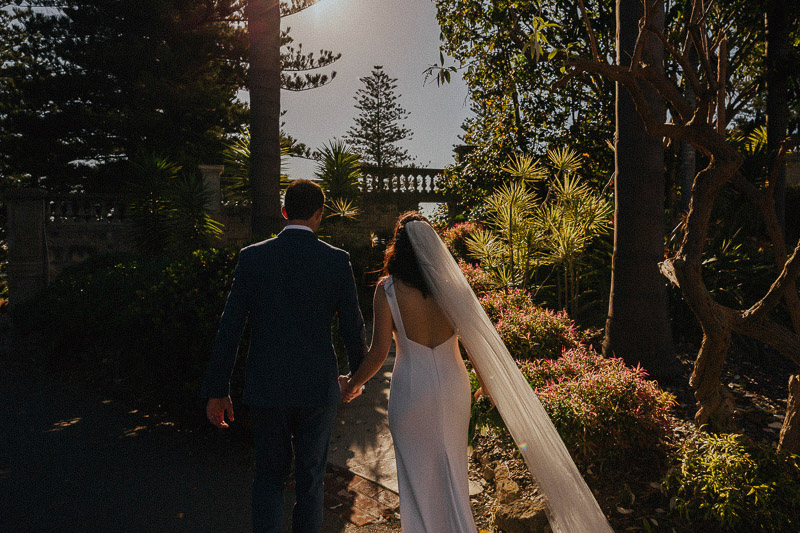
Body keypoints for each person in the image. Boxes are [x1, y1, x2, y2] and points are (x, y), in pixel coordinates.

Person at [201, 179, 367, 533]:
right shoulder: (337, 261)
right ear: (320, 214)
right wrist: (357, 378)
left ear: (283, 211)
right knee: (311, 481)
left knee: (268, 478)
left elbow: (229, 328)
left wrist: (218, 389)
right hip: (317, 389)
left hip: (267, 386)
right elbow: (354, 328)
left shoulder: (253, 257)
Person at [340, 212, 489, 532]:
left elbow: (379, 353)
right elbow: (475, 346)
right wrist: (487, 385)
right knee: (452, 470)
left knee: (416, 477)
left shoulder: (389, 289)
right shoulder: (454, 289)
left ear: (399, 247)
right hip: (453, 387)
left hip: (412, 390)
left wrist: (352, 383)